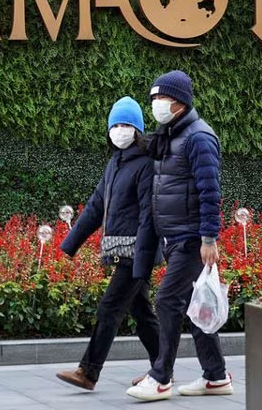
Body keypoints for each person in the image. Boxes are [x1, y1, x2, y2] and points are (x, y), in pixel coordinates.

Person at [127, 70, 232, 401]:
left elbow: (209, 190)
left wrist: (209, 239)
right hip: (173, 238)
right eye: (153, 99)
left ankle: (161, 377)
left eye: (161, 99)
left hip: (191, 239)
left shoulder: (199, 138)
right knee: (192, 306)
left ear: (179, 102)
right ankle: (215, 376)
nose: (156, 104)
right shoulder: (170, 135)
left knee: (167, 300)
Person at [55, 96, 161, 391]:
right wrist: (70, 244)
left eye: (126, 124)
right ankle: (162, 369)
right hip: (123, 251)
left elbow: (148, 217)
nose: (120, 130)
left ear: (137, 129)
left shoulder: (145, 165)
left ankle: (88, 372)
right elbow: (95, 206)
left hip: (137, 253)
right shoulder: (114, 164)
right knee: (142, 314)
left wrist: (142, 258)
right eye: (116, 124)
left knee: (109, 309)